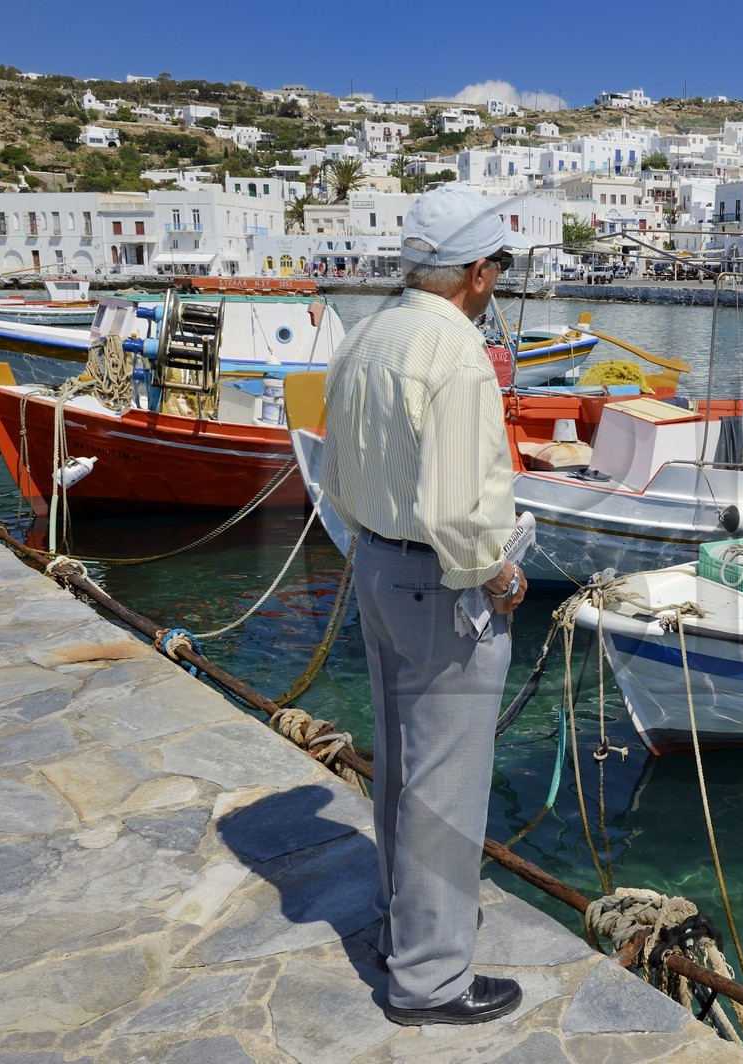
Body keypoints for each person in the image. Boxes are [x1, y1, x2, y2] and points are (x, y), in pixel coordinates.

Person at [322, 183, 527, 1028]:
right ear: (478, 271)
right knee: (447, 781)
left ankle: (401, 927)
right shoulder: (457, 353)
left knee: (401, 767)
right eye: (501, 267)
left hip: (374, 564)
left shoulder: (366, 334)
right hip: (440, 583)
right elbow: (454, 512)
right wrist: (500, 576)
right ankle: (431, 981)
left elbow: (334, 477)